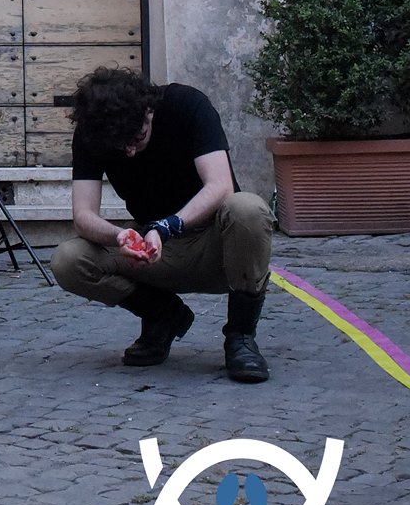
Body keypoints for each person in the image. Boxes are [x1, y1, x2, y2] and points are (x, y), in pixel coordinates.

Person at [49, 68, 274, 383]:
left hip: (217, 246)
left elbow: (220, 186)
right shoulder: (94, 131)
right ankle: (163, 316)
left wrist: (167, 226)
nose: (130, 151)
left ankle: (241, 336)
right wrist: (120, 236)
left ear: (148, 110)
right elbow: (83, 215)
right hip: (154, 251)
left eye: (137, 138)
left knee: (247, 208)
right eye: (120, 146)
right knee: (68, 259)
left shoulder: (187, 105)